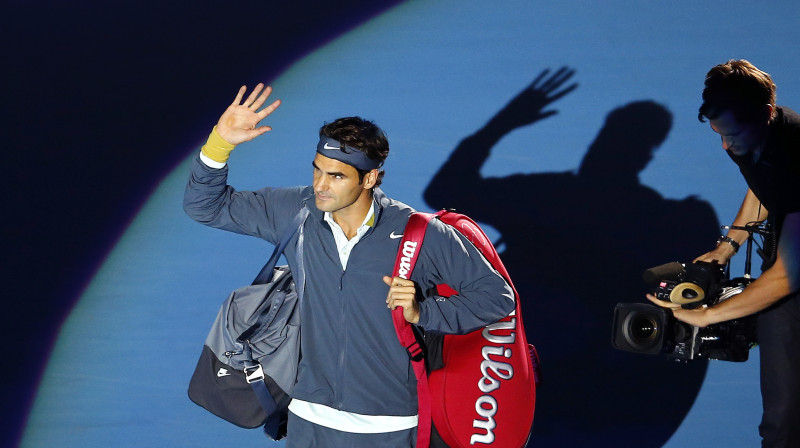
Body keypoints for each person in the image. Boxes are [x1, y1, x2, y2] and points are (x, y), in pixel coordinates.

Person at [183, 84, 514, 447]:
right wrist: (219, 144)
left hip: (389, 426)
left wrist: (424, 311)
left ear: (369, 178)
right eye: (318, 170)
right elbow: (205, 206)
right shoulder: (296, 210)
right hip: (308, 418)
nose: (320, 185)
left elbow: (497, 298)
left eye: (337, 176)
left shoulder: (421, 234)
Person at [647, 59, 800, 448]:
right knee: (781, 421)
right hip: (789, 261)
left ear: (766, 113)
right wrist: (727, 247)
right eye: (719, 134)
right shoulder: (751, 135)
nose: (727, 146)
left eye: (733, 134)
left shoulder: (797, 158)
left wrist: (708, 316)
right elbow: (764, 186)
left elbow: (788, 275)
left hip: (792, 267)